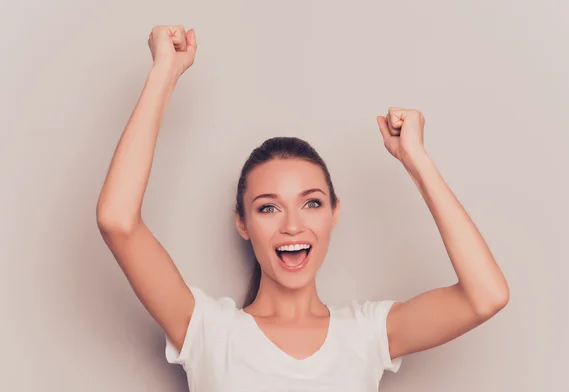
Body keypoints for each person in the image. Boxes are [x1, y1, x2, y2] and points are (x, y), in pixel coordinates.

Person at [96, 25, 510, 391]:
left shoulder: (366, 335)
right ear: (242, 223)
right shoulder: (207, 330)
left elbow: (486, 296)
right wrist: (164, 73)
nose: (293, 226)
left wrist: (416, 161)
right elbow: (117, 220)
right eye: (268, 208)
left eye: (311, 203)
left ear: (334, 213)